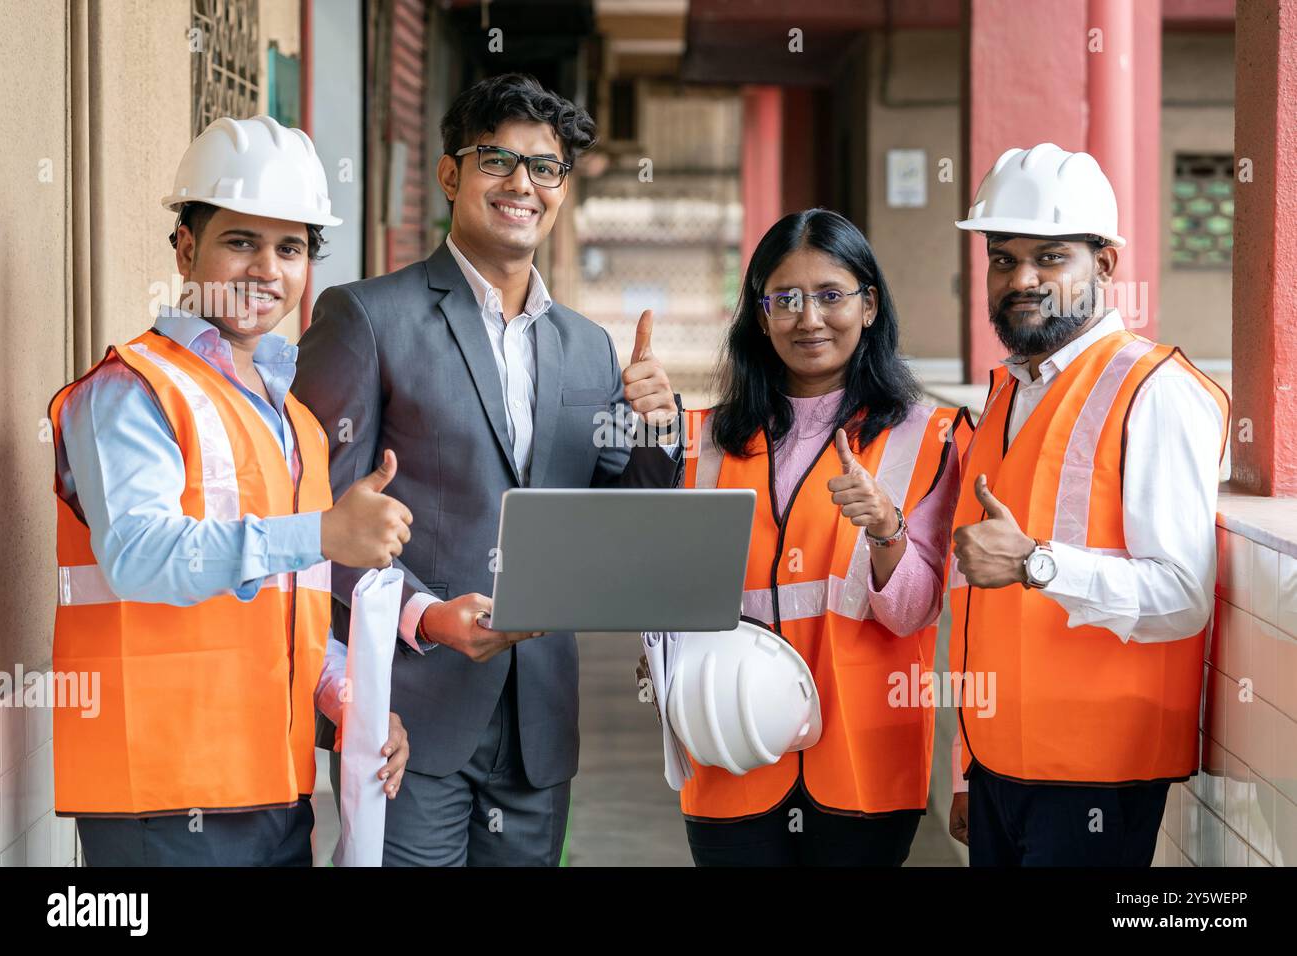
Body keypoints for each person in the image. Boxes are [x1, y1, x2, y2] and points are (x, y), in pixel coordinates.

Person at [294, 73, 683, 867]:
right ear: (450, 174)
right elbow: (316, 520)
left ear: (563, 189)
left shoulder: (587, 347)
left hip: (537, 718)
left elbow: (617, 512)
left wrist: (658, 429)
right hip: (410, 706)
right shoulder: (367, 316)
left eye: (544, 168)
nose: (522, 185)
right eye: (497, 159)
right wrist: (428, 617)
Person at [49, 115, 412, 866]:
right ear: (186, 248)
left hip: (275, 790)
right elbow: (139, 555)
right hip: (160, 794)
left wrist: (354, 702)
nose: (266, 270)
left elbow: (292, 611)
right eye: (240, 241)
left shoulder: (298, 423)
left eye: (290, 249)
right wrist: (321, 534)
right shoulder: (130, 390)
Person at [657, 208, 971, 866]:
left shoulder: (930, 438)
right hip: (728, 740)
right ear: (760, 312)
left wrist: (887, 530)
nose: (809, 318)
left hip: (864, 756)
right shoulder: (702, 440)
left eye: (831, 295)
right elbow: (668, 593)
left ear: (869, 304)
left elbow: (916, 610)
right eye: (787, 299)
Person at [946, 143, 1230, 866]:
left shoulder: (1155, 389)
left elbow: (1182, 596)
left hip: (1096, 777)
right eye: (1003, 259)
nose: (1022, 278)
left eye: (1050, 257)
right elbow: (983, 608)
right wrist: (968, 766)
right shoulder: (1010, 390)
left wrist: (1039, 564)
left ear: (1103, 266)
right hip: (1000, 767)